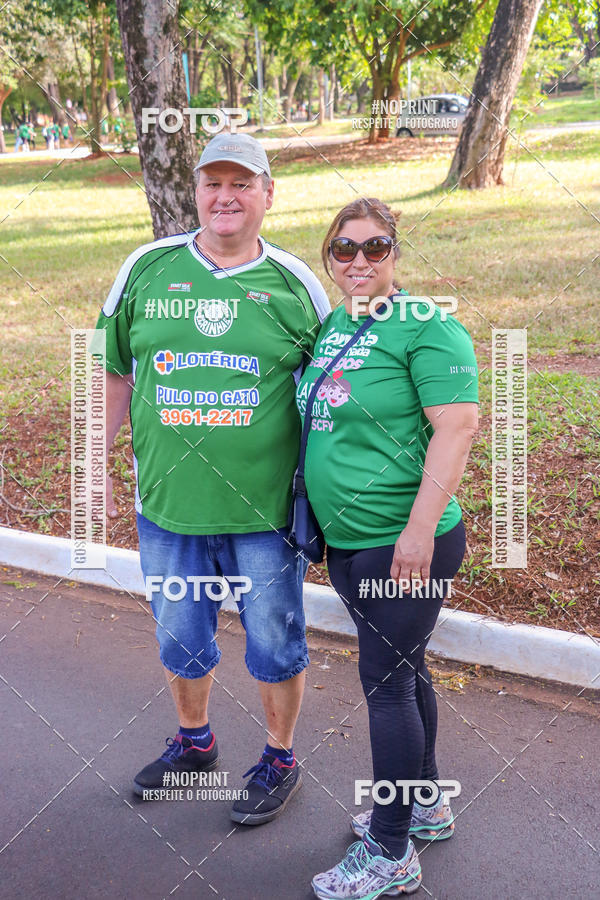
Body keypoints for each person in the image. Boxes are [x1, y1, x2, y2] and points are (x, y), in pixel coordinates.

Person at [95, 132, 330, 824]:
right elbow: (112, 369)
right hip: (169, 506)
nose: (224, 197)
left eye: (241, 183)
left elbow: (332, 389)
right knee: (180, 635)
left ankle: (280, 758)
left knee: (275, 640)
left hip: (265, 513)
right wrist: (92, 461)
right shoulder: (146, 268)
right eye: (211, 184)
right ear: (195, 191)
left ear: (267, 194)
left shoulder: (296, 284)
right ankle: (195, 745)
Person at [296, 198, 479, 898]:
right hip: (349, 541)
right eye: (344, 249)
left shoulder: (427, 326)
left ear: (396, 253)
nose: (360, 261)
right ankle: (426, 802)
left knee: (387, 687)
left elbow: (457, 427)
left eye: (376, 247)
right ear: (329, 257)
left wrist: (415, 532)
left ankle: (391, 850)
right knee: (406, 671)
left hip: (402, 543)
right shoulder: (336, 324)